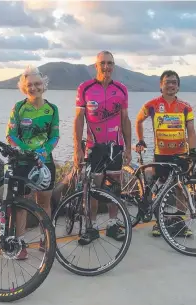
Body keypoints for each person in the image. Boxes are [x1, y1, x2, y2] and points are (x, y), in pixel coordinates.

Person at [73, 50, 132, 245]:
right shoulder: (85, 88)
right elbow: (79, 119)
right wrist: (77, 149)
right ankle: (92, 227)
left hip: (115, 146)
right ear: (96, 66)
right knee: (94, 188)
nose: (106, 67)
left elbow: (125, 119)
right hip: (94, 146)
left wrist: (129, 148)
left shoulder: (121, 89)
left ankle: (113, 224)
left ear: (113, 66)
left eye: (110, 63)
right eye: (103, 63)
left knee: (115, 187)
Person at [6, 65, 59, 259]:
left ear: (43, 85)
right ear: (23, 87)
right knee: (21, 204)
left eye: (37, 84)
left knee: (44, 202)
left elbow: (55, 136)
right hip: (23, 162)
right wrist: (28, 152)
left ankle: (45, 238)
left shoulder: (52, 109)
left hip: (45, 162)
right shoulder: (19, 108)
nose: (34, 88)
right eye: (29, 85)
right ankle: (20, 243)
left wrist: (43, 152)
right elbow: (10, 135)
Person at [135, 70, 196, 237]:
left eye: (174, 82)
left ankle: (179, 223)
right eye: (167, 82)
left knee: (180, 189)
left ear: (178, 87)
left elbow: (191, 132)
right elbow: (138, 120)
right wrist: (140, 139)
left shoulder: (185, 107)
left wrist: (193, 152)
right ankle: (158, 222)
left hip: (181, 155)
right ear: (161, 85)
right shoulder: (152, 105)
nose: (171, 85)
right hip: (161, 154)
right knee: (159, 188)